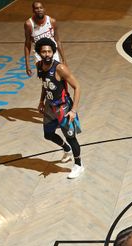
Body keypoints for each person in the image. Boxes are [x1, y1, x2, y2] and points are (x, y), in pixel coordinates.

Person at [35, 37, 84, 179]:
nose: (47, 54)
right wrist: (41, 101)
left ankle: (79, 165)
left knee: (71, 137)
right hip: (50, 107)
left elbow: (77, 86)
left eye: (49, 51)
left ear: (53, 52)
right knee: (48, 134)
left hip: (63, 108)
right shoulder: (39, 66)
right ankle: (66, 149)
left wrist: (73, 110)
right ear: (39, 53)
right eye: (44, 51)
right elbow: (45, 84)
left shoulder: (60, 68)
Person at [24, 1, 65, 77]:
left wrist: (64, 59)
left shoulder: (52, 21)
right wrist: (27, 65)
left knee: (58, 76)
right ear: (33, 10)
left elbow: (58, 41)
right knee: (45, 78)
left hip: (52, 52)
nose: (39, 10)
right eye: (36, 8)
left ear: (44, 9)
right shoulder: (29, 24)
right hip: (39, 54)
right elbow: (27, 44)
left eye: (41, 8)